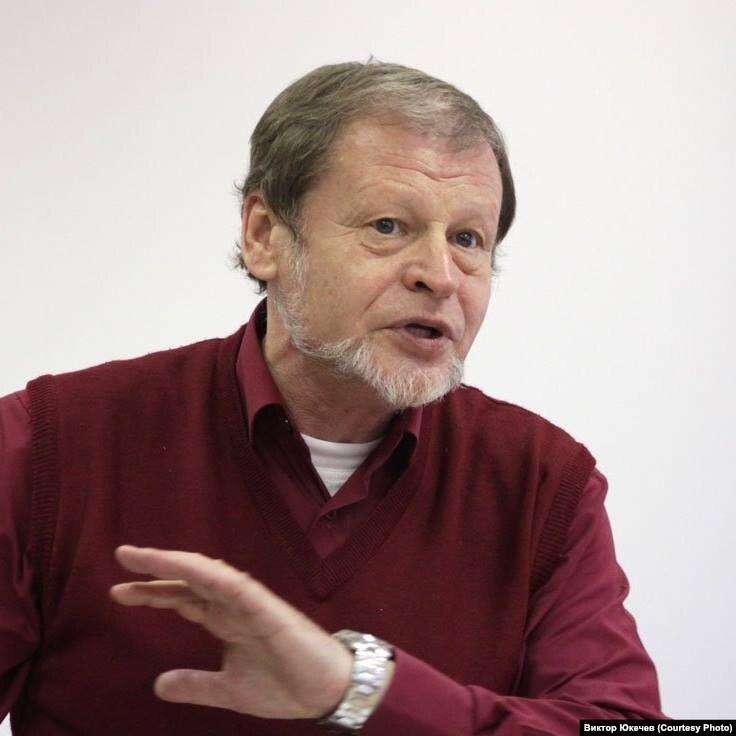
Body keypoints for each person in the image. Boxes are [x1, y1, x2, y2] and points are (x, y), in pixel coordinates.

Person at [0, 60, 666, 735]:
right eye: (388, 226)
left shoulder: (543, 484)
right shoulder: (45, 449)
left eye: (467, 239)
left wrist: (359, 689)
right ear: (265, 236)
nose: (439, 276)